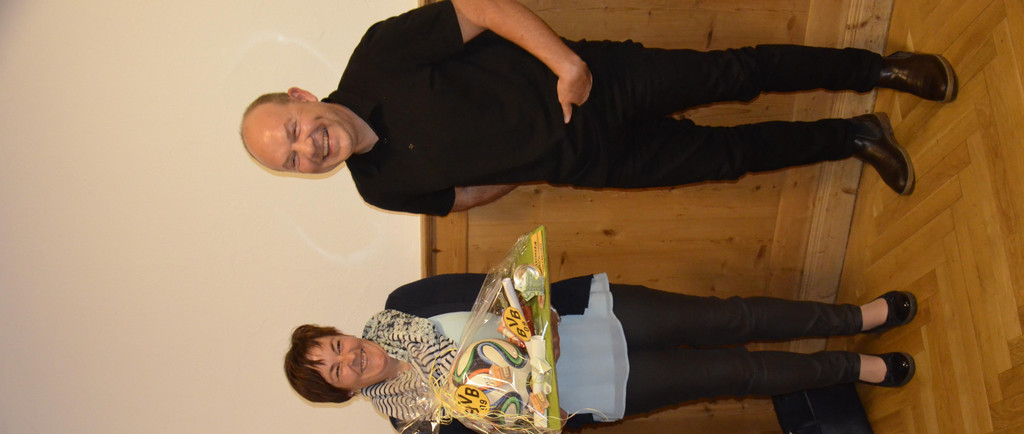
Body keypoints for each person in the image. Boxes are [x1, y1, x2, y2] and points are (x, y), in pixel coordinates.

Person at [240, 0, 958, 216]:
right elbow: (463, 197)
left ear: (302, 97)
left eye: (295, 130)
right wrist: (534, 162)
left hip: (597, 82)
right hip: (594, 164)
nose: (309, 149)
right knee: (730, 157)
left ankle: (877, 68)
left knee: (736, 75)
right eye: (293, 159)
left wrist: (566, 65)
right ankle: (855, 136)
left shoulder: (377, 56)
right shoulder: (379, 189)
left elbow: (481, 6)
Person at [284, 273, 917, 434]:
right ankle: (853, 369)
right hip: (591, 387)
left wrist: (543, 317)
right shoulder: (411, 422)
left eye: (335, 345)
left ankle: (854, 318)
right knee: (737, 374)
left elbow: (495, 282)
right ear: (344, 393)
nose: (349, 358)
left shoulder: (403, 304)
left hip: (581, 314)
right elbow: (507, 432)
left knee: (729, 318)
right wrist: (541, 410)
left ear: (341, 333)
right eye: (335, 371)